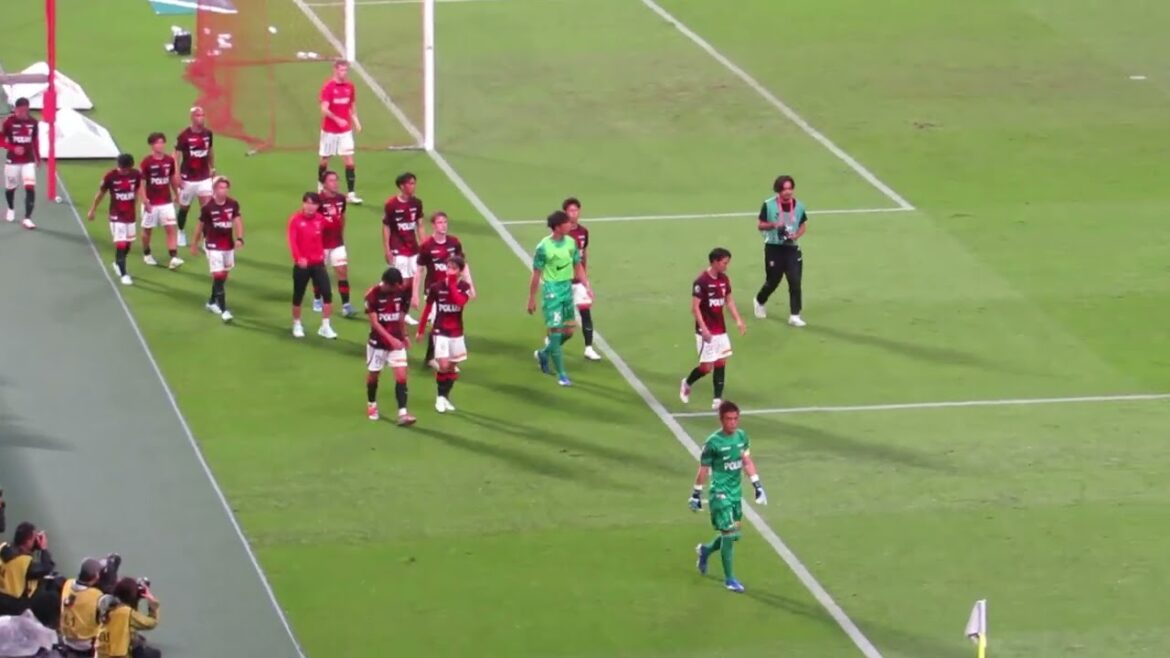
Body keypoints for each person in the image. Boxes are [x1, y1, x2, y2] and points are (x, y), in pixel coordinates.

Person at [689, 400, 767, 593]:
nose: (733, 422)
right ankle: (729, 579)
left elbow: (746, 461)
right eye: (729, 419)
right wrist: (696, 493)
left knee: (732, 536)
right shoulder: (712, 443)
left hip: (735, 493)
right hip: (719, 494)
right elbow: (704, 469)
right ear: (721, 419)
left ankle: (705, 550)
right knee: (729, 534)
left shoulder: (742, 437)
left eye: (735, 419)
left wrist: (757, 485)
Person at [528, 210, 591, 387]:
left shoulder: (571, 243)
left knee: (570, 331)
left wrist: (587, 286)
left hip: (567, 289)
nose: (570, 224)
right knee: (555, 334)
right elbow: (536, 274)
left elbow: (577, 266)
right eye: (566, 222)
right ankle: (562, 374)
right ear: (557, 227)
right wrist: (531, 298)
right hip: (552, 292)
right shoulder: (543, 247)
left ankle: (543, 353)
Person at [680, 248, 746, 410]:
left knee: (721, 362)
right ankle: (687, 382)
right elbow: (695, 308)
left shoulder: (724, 279)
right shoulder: (701, 282)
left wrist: (738, 320)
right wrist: (704, 329)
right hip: (706, 332)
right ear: (715, 261)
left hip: (720, 330)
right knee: (706, 367)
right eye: (724, 263)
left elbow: (729, 301)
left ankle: (717, 399)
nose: (726, 266)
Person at [414, 211, 473, 368]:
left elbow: (463, 265)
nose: (443, 225)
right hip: (433, 290)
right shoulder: (426, 245)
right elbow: (419, 270)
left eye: (445, 222)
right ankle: (433, 357)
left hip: (452, 290)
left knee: (449, 319)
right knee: (436, 322)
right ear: (433, 225)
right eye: (440, 223)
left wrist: (470, 285)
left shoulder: (454, 243)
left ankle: (438, 356)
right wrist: (415, 294)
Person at [417, 255, 472, 413]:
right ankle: (440, 398)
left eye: (454, 268)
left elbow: (459, 302)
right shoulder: (436, 287)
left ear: (460, 272)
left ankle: (445, 396)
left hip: (457, 333)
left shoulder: (464, 287)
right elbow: (427, 309)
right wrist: (420, 330)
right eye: (448, 267)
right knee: (443, 365)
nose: (450, 271)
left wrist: (453, 284)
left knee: (452, 367)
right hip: (440, 331)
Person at [753, 175, 808, 327]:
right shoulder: (769, 205)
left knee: (795, 282)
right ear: (778, 190)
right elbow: (760, 225)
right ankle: (759, 300)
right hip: (774, 247)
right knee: (773, 281)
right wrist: (774, 225)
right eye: (784, 189)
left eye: (790, 188)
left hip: (791, 247)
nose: (788, 192)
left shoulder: (799, 206)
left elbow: (803, 224)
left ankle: (795, 315)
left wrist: (796, 235)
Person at [190, 176, 244, 322]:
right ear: (214, 189)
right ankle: (224, 310)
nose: (224, 190)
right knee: (219, 275)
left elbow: (237, 221)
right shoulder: (208, 208)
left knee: (223, 276)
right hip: (213, 245)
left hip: (228, 245)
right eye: (221, 187)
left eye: (226, 187)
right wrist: (194, 244)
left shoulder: (233, 204)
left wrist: (239, 238)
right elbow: (199, 226)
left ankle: (212, 301)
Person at [365, 268, 413, 425]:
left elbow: (400, 316)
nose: (399, 288)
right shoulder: (372, 295)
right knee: (374, 375)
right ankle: (371, 404)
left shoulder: (400, 293)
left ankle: (403, 414)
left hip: (396, 343)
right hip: (377, 344)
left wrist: (404, 335)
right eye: (396, 286)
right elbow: (374, 322)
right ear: (388, 284)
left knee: (401, 376)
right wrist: (391, 339)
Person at [86, 153, 144, 286]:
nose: (123, 171)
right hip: (116, 215)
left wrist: (143, 202)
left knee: (128, 244)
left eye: (126, 169)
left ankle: (118, 263)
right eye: (121, 168)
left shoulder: (135, 175)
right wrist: (93, 209)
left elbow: (137, 190)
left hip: (130, 215)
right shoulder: (110, 176)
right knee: (121, 244)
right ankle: (124, 274)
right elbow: (100, 194)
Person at [288, 192, 337, 339]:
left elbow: (333, 226)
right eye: (307, 203)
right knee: (298, 295)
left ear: (317, 206)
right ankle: (297, 324)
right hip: (302, 265)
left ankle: (325, 326)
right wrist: (298, 258)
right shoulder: (295, 220)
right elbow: (293, 241)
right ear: (303, 203)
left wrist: (334, 215)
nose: (310, 207)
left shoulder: (320, 219)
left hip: (318, 263)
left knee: (327, 295)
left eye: (313, 204)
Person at [382, 172, 425, 326]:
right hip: (397, 248)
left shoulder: (417, 203)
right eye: (410, 183)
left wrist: (424, 245)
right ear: (402, 186)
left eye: (414, 183)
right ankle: (387, 307)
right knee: (401, 282)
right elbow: (386, 227)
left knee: (413, 281)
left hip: (413, 248)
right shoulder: (391, 204)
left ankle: (403, 313)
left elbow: (419, 225)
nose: (413, 186)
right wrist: (387, 249)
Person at [318, 60, 363, 204]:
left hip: (345, 131)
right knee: (325, 159)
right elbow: (324, 109)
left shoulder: (350, 87)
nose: (344, 73)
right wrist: (337, 120)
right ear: (335, 70)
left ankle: (351, 193)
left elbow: (351, 105)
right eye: (341, 70)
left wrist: (355, 120)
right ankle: (321, 188)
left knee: (349, 161)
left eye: (346, 70)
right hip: (330, 131)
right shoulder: (328, 88)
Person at [59, 555, 122, 657]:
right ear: (97, 576)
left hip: (66, 639)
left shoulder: (68, 583)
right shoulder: (96, 596)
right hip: (85, 645)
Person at [563, 197, 602, 361]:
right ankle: (550, 341)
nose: (573, 213)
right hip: (564, 281)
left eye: (576, 210)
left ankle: (588, 348)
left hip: (579, 281)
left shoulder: (583, 232)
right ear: (565, 212)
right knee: (563, 320)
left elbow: (584, 253)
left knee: (586, 312)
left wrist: (585, 278)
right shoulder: (561, 233)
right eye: (570, 210)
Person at [311, 171, 354, 316]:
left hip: (337, 242)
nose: (335, 183)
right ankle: (317, 299)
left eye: (336, 180)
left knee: (342, 271)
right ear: (324, 184)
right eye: (331, 181)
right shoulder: (317, 200)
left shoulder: (341, 198)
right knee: (319, 274)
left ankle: (346, 305)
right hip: (320, 244)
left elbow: (342, 217)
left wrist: (340, 235)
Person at [138, 132, 183, 270]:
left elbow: (172, 179)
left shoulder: (169, 161)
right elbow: (141, 183)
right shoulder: (146, 162)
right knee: (147, 230)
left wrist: (177, 194)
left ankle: (174, 256)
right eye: (158, 142)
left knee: (170, 228)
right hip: (151, 203)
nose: (161, 145)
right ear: (152, 145)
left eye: (162, 142)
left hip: (166, 202)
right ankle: (147, 253)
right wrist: (145, 200)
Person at [173, 106, 215, 247]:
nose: (201, 118)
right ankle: (180, 231)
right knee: (184, 208)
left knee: (206, 209)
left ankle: (205, 238)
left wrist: (212, 167)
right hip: (188, 178)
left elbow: (210, 151)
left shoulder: (208, 133)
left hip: (204, 178)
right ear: (192, 117)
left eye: (202, 115)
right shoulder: (184, 136)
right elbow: (176, 156)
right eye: (198, 115)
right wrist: (177, 174)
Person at [95, 577, 160, 658]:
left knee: (138, 639)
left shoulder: (107, 605)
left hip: (101, 653)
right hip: (118, 655)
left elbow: (128, 620)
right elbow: (152, 623)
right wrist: (152, 603)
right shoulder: (125, 612)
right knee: (155, 654)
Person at [2, 97, 39, 229]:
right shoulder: (9, 122)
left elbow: (35, 140)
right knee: (10, 188)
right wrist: (13, 148)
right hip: (12, 161)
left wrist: (38, 158)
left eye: (26, 110)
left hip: (28, 161)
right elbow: (1, 139)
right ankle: (11, 208)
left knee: (30, 188)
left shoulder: (34, 122)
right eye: (21, 111)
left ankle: (27, 218)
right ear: (16, 109)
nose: (23, 113)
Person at [0, 522, 55, 600]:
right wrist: (44, 548)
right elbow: (47, 568)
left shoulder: (2, 547)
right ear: (28, 541)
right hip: (11, 603)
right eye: (34, 538)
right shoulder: (23, 562)